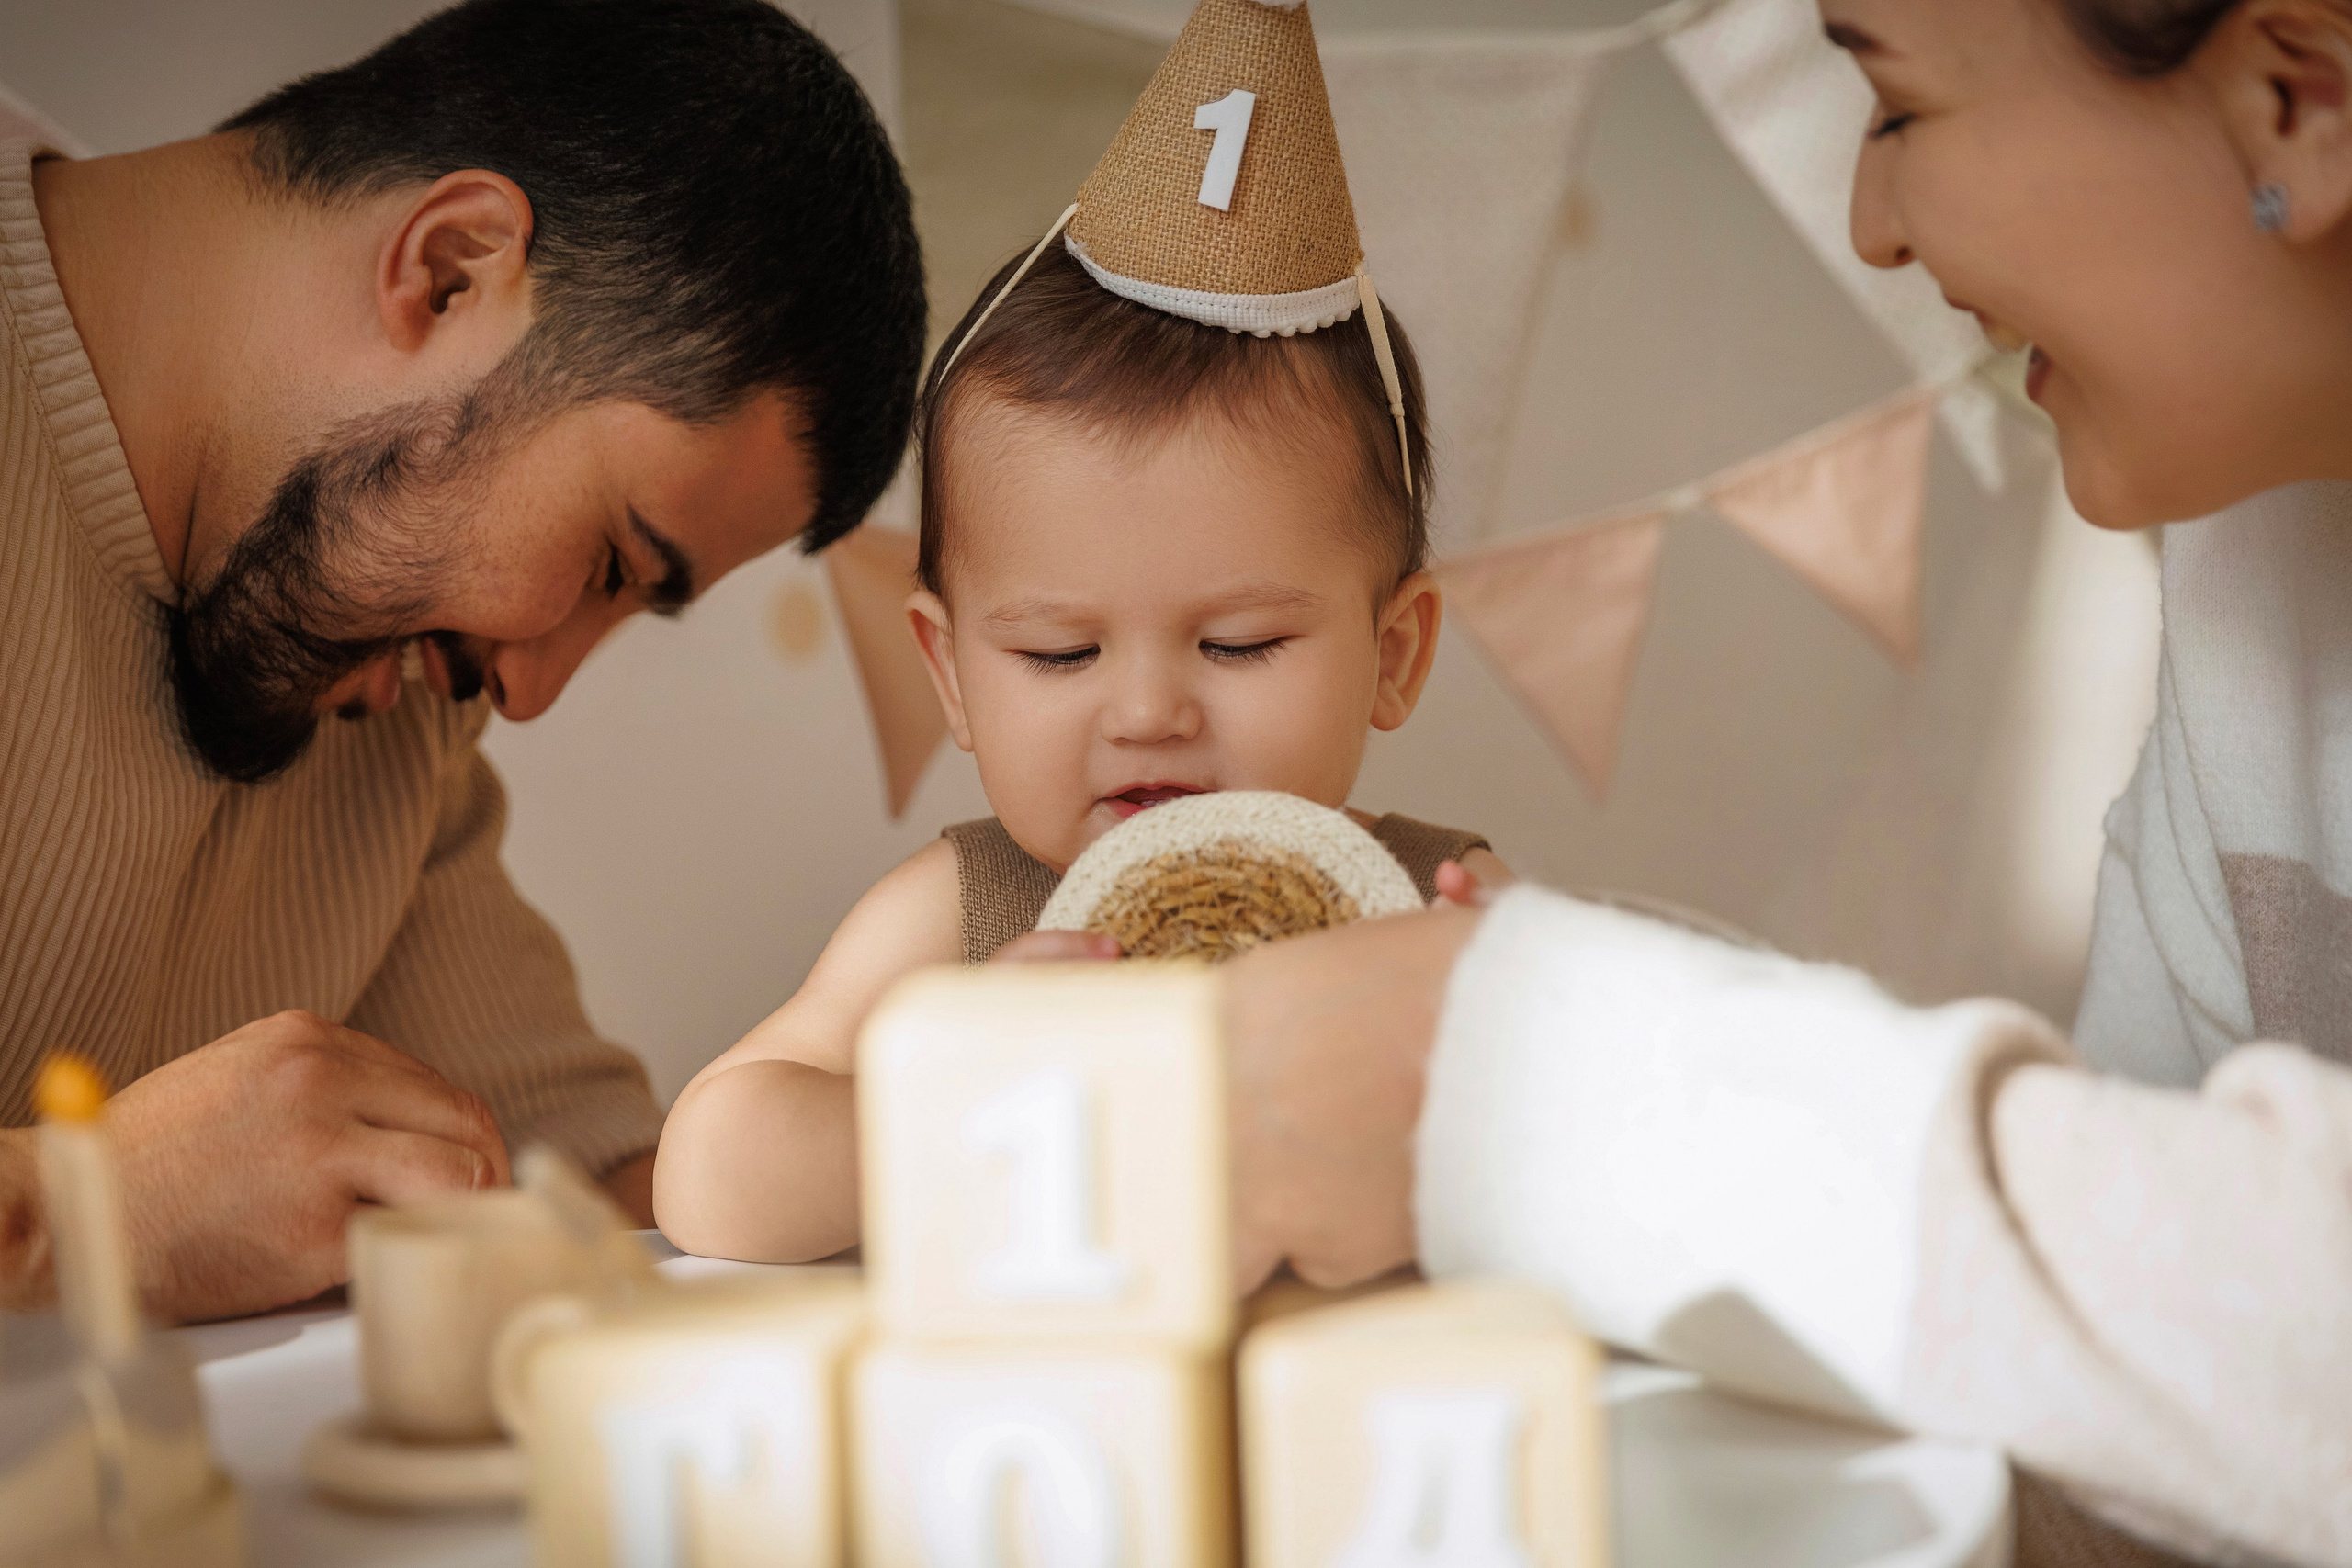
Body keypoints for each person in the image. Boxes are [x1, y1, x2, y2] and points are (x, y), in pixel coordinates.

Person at [1204, 0, 2352, 1563]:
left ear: (2302, 101)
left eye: (1896, 109)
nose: (1871, 228)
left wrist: (1543, 1070)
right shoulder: (2256, 584)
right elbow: (2122, 1401)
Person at [0, 0, 925, 1324]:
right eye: (613, 563)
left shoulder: (384, 695)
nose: (531, 693)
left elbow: (607, 1206)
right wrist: (79, 1210)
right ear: (450, 269)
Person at [653, 235, 1511, 1265]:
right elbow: (708, 1178)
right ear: (953, 674)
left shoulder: (1430, 905)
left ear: (1394, 654)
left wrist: (1514, 1042)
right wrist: (959, 1090)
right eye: (1060, 653)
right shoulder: (962, 916)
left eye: (1238, 644)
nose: (1146, 713)